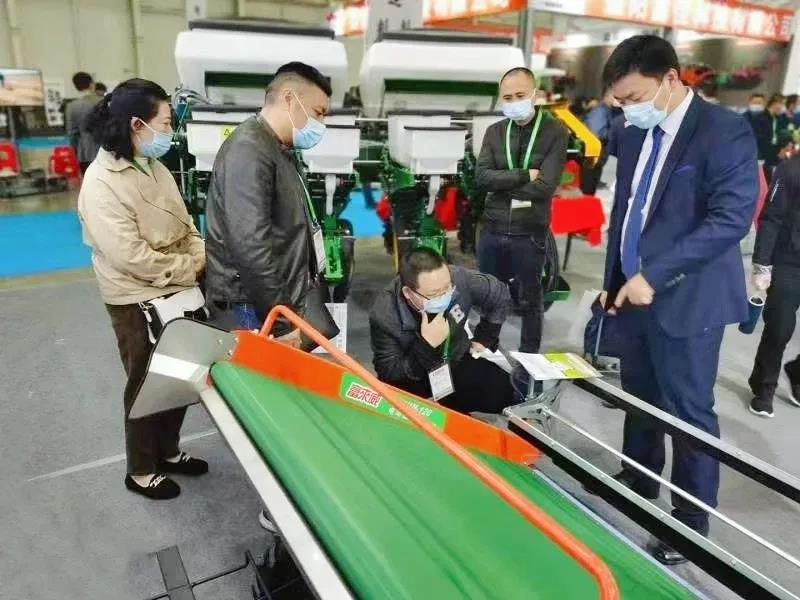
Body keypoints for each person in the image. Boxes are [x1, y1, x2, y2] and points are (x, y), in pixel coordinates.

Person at [599, 35, 757, 564]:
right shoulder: (633, 133)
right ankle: (639, 475)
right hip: (633, 293)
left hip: (690, 299)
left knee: (689, 411)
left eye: (634, 97)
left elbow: (730, 219)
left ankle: (690, 521)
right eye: (620, 101)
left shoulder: (722, 131)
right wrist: (614, 278)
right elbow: (627, 208)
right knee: (640, 394)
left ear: (671, 79)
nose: (628, 109)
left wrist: (656, 274)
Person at [78, 79, 207, 500]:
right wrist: (189, 266)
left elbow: (186, 224)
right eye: (166, 123)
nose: (170, 132)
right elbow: (131, 257)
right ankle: (141, 469)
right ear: (138, 124)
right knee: (145, 380)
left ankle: (168, 451)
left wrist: (200, 252)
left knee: (180, 376)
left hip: (178, 286)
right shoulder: (100, 183)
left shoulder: (155, 166)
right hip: (134, 298)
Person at [205, 62, 330, 345]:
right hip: (254, 308)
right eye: (318, 113)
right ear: (289, 98)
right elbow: (251, 246)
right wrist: (282, 323)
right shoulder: (249, 150)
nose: (321, 124)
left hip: (272, 301)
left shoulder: (279, 149)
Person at [475, 67, 569, 353]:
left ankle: (529, 358)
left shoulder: (555, 132)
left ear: (535, 94)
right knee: (490, 296)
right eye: (507, 97)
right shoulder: (494, 132)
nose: (514, 102)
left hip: (529, 232)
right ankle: (485, 350)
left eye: (520, 95)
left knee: (531, 300)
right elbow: (482, 178)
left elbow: (545, 186)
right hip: (493, 228)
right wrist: (525, 175)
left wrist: (502, 185)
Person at [370, 247, 514, 414]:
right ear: (408, 293)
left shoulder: (459, 278)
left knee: (506, 391)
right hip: (414, 376)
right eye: (435, 294)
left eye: (447, 288)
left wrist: (484, 337)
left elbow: (498, 293)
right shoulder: (385, 314)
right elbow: (390, 373)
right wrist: (427, 345)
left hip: (454, 358)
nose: (444, 296)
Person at [748, 157, 800, 417]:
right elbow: (771, 218)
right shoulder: (790, 170)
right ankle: (763, 387)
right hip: (789, 260)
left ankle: (797, 371)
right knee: (780, 327)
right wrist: (762, 264)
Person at [581, 88, 618, 194]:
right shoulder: (600, 112)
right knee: (590, 187)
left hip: (597, 156)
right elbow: (595, 133)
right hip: (594, 155)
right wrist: (614, 133)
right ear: (606, 96)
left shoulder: (607, 111)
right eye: (615, 96)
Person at [65, 71, 101, 173]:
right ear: (91, 84)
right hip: (107, 153)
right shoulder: (104, 102)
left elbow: (72, 134)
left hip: (85, 153)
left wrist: (75, 152)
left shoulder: (72, 106)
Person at [752, 94, 786, 183]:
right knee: (764, 181)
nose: (783, 107)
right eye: (782, 104)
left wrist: (782, 148)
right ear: (775, 103)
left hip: (774, 155)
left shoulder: (778, 118)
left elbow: (779, 136)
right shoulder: (760, 118)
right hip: (763, 156)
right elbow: (761, 140)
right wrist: (776, 151)